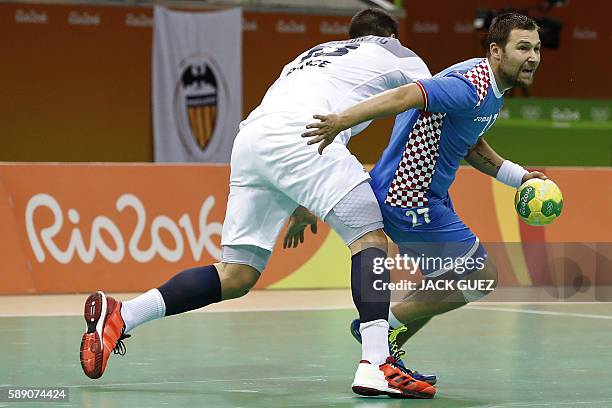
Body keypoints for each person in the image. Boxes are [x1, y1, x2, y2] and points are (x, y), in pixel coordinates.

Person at [79, 8, 437, 399]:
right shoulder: (398, 53)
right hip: (303, 137)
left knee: (236, 274)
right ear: (390, 34)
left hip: (253, 140)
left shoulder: (311, 55)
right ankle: (375, 363)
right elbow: (431, 102)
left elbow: (318, 119)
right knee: (369, 238)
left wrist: (305, 199)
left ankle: (122, 314)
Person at [300, 12, 549, 374]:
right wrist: (341, 120)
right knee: (482, 276)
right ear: (496, 51)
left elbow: (469, 142)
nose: (532, 57)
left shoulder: (490, 90)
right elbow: (404, 95)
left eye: (537, 48)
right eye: (523, 47)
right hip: (410, 198)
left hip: (424, 196)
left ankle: (387, 360)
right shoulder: (468, 86)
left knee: (441, 287)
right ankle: (377, 328)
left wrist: (518, 177)